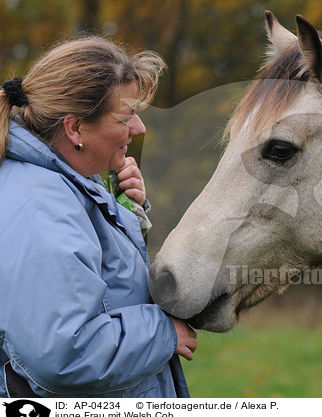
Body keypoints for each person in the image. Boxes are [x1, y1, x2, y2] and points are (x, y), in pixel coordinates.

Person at [0, 36, 198, 397]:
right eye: (126, 117)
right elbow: (63, 353)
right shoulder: (41, 206)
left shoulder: (60, 188)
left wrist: (122, 212)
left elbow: (102, 285)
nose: (139, 129)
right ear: (75, 128)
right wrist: (163, 332)